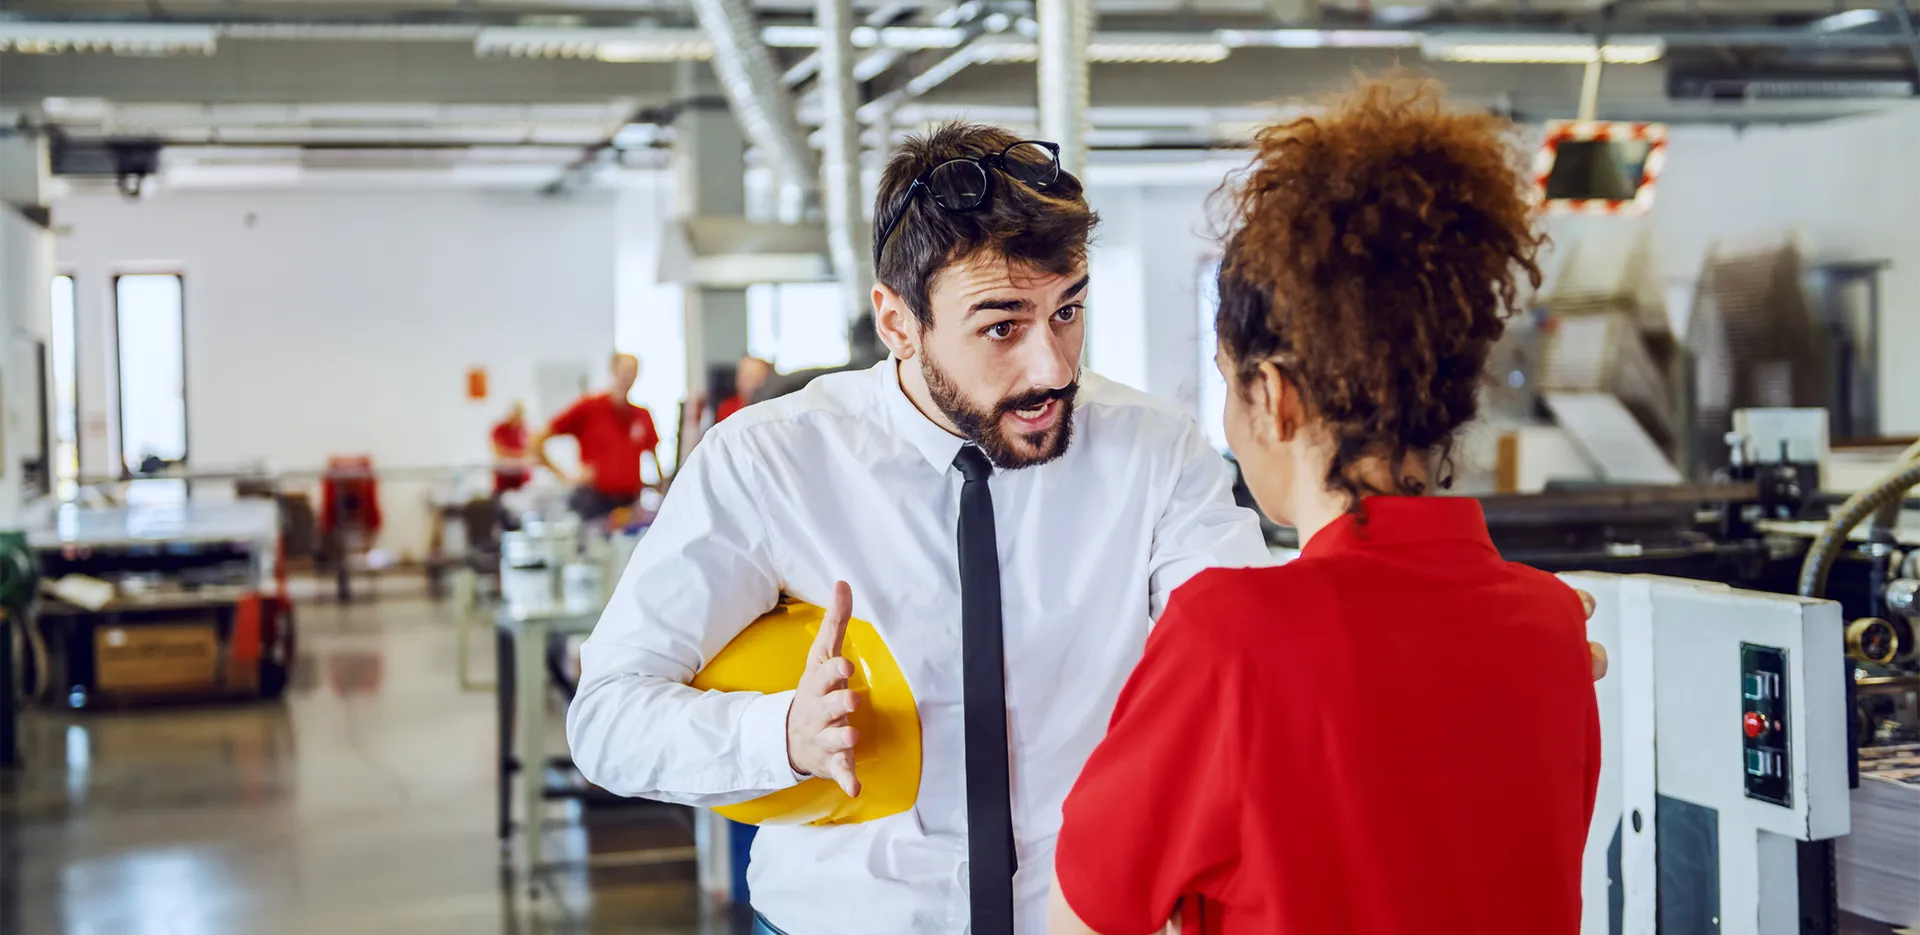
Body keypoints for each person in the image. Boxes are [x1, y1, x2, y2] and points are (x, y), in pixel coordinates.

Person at [569, 124, 1605, 935]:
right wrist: (775, 737)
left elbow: (1266, 640)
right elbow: (608, 716)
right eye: (1001, 326)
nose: (1052, 365)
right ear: (897, 321)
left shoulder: (1151, 451)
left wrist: (1456, 645)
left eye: (1069, 309)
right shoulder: (772, 460)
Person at [1047, 77, 1600, 935]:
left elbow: (1083, 918)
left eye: (1229, 386)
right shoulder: (1554, 627)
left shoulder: (1228, 637)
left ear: (1273, 395)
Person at [532, 352, 661, 522]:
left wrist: (661, 487)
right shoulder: (590, 408)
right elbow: (537, 440)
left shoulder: (641, 415)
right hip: (595, 503)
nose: (627, 378)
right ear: (613, 371)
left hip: (629, 505)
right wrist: (564, 476)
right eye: (624, 371)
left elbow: (653, 453)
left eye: (632, 372)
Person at [489, 400, 531, 496]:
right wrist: (519, 454)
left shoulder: (524, 429)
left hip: (521, 477)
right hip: (503, 476)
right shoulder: (499, 429)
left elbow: (530, 449)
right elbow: (498, 451)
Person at [716, 355, 775, 423]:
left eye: (753, 376)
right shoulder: (726, 408)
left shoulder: (771, 410)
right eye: (743, 376)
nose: (745, 382)